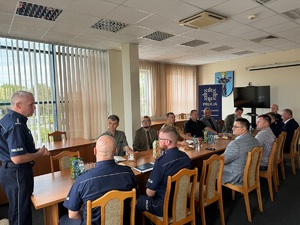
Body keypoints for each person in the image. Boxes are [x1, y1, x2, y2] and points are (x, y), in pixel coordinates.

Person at [60, 135, 137, 225]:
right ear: (116, 151)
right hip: (123, 222)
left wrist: (85, 216)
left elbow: (73, 215)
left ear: (95, 151)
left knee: (63, 219)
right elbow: (134, 201)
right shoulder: (128, 173)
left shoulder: (82, 180)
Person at [0, 91, 50, 225]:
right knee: (21, 214)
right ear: (18, 105)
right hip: (17, 173)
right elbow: (17, 158)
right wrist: (39, 154)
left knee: (18, 209)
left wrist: (35, 151)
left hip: (12, 172)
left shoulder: (8, 120)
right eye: (31, 104)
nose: (34, 107)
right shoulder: (16, 125)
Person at [136, 126, 191, 216]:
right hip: (181, 203)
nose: (158, 141)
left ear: (167, 142)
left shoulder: (161, 162)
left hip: (163, 207)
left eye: (160, 139)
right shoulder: (185, 157)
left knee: (137, 200)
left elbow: (149, 193)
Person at [222, 118, 259, 184]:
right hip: (249, 174)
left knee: (209, 169)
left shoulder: (235, 144)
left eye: (235, 127)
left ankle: (211, 192)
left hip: (236, 176)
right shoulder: (255, 140)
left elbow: (223, 160)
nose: (232, 128)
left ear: (243, 129)